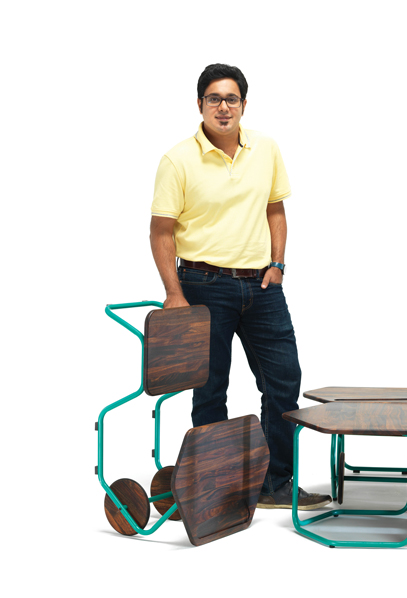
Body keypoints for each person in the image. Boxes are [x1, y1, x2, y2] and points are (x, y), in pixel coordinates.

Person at [149, 63, 331, 510]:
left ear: (244, 105)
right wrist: (174, 293)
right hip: (202, 284)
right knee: (211, 388)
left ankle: (274, 483)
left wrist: (278, 265)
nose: (223, 107)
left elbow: (275, 210)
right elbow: (161, 231)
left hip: (262, 287)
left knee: (284, 380)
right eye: (214, 99)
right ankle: (216, 488)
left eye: (231, 99)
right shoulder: (177, 160)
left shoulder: (266, 148)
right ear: (200, 105)